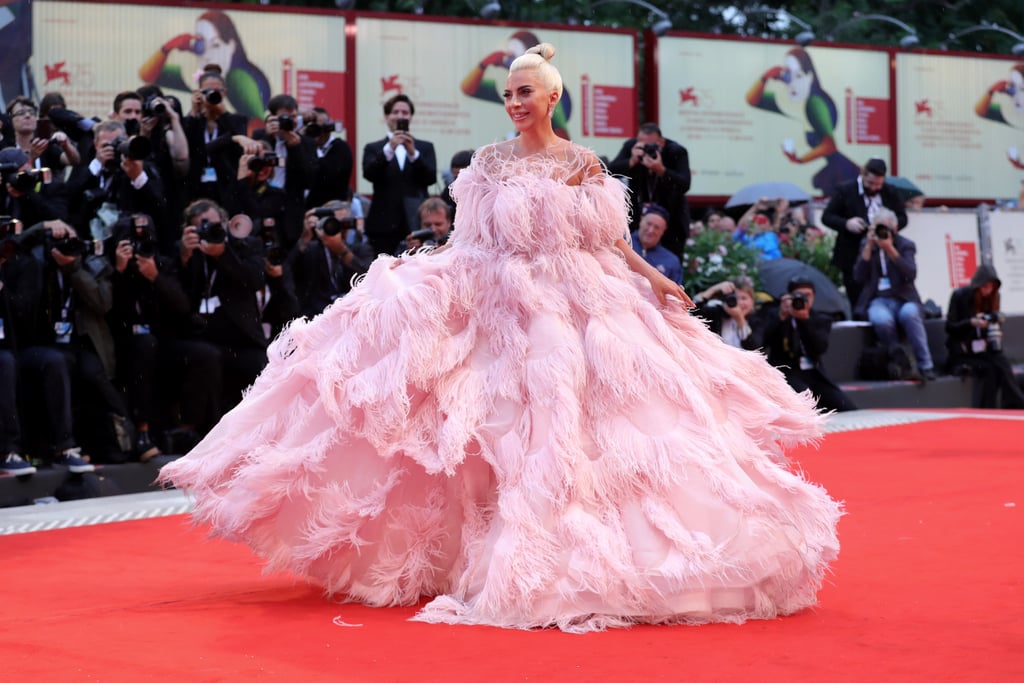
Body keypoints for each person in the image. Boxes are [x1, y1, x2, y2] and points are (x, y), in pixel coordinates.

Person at [160, 43, 839, 633]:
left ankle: (594, 556)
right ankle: (472, 550)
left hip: (582, 303)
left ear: (551, 97)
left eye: (523, 92)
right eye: (507, 93)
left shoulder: (581, 163)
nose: (513, 102)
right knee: (489, 426)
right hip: (500, 300)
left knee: (592, 424)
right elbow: (467, 240)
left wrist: (651, 279)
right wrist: (429, 282)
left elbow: (606, 238)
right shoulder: (486, 161)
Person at [745, 48, 859, 196]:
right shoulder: (790, 99)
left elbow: (829, 145)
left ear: (809, 77)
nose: (792, 83)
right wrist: (764, 78)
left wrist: (800, 159)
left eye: (798, 75)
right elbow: (752, 100)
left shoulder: (815, 102)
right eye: (788, 76)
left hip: (840, 173)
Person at [139, 9, 271, 126]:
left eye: (215, 45)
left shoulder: (238, 77)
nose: (207, 56)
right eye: (201, 47)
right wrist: (168, 47)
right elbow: (147, 76)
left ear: (231, 46)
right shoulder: (195, 75)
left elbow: (257, 124)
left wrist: (223, 114)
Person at [852, 207, 936, 382]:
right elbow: (859, 276)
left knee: (910, 315)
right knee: (881, 320)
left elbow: (910, 273)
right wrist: (868, 246)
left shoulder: (905, 245)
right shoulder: (867, 245)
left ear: (894, 229)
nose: (881, 233)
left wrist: (890, 249)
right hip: (879, 298)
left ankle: (925, 365)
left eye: (885, 229)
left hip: (904, 297)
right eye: (878, 229)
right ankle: (898, 362)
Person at [757, 276, 857, 413]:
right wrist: (781, 317)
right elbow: (762, 343)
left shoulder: (820, 319)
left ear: (814, 296)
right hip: (787, 373)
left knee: (845, 406)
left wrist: (805, 321)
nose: (803, 299)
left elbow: (820, 348)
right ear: (788, 297)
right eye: (798, 296)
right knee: (806, 402)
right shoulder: (775, 315)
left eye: (807, 295)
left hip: (814, 373)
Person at [821, 158, 907, 314]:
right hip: (853, 254)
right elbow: (827, 217)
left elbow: (903, 218)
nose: (874, 188)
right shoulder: (845, 190)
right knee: (857, 299)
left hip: (883, 255)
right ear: (863, 175)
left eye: (878, 185)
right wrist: (847, 223)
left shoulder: (890, 192)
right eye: (870, 183)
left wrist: (888, 228)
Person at [361, 94, 437, 257]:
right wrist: (389, 149)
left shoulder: (424, 147)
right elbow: (369, 174)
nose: (400, 116)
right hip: (383, 224)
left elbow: (430, 178)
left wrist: (413, 154)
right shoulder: (374, 148)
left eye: (405, 112)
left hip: (415, 222)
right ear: (387, 116)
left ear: (410, 116)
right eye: (395, 112)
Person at [461, 30, 572, 139]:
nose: (515, 104)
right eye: (508, 95)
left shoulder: (548, 90)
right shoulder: (507, 85)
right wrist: (484, 63)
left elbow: (562, 138)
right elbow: (468, 89)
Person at [607, 122, 691, 257]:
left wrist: (662, 170)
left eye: (651, 145)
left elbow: (685, 184)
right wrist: (631, 161)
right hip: (637, 220)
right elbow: (609, 172)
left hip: (671, 222)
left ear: (661, 143)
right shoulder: (631, 148)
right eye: (643, 145)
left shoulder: (676, 152)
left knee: (669, 262)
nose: (646, 149)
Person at [945, 264, 1024, 409]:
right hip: (963, 352)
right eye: (985, 286)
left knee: (1001, 363)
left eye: (991, 287)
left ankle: (1011, 404)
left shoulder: (994, 297)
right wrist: (971, 322)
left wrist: (996, 320)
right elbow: (950, 327)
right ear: (978, 285)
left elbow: (994, 324)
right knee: (991, 367)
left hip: (985, 349)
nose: (987, 291)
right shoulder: (960, 296)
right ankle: (1004, 405)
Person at [690, 277, 760, 350]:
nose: (738, 303)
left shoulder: (757, 320)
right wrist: (713, 289)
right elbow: (692, 312)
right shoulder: (716, 312)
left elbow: (755, 348)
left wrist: (739, 318)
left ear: (752, 301)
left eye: (743, 298)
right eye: (734, 298)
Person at [629, 203, 682, 285]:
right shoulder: (621, 244)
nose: (651, 231)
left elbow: (674, 294)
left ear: (663, 231)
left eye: (657, 227)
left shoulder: (671, 261)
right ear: (641, 220)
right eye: (648, 224)